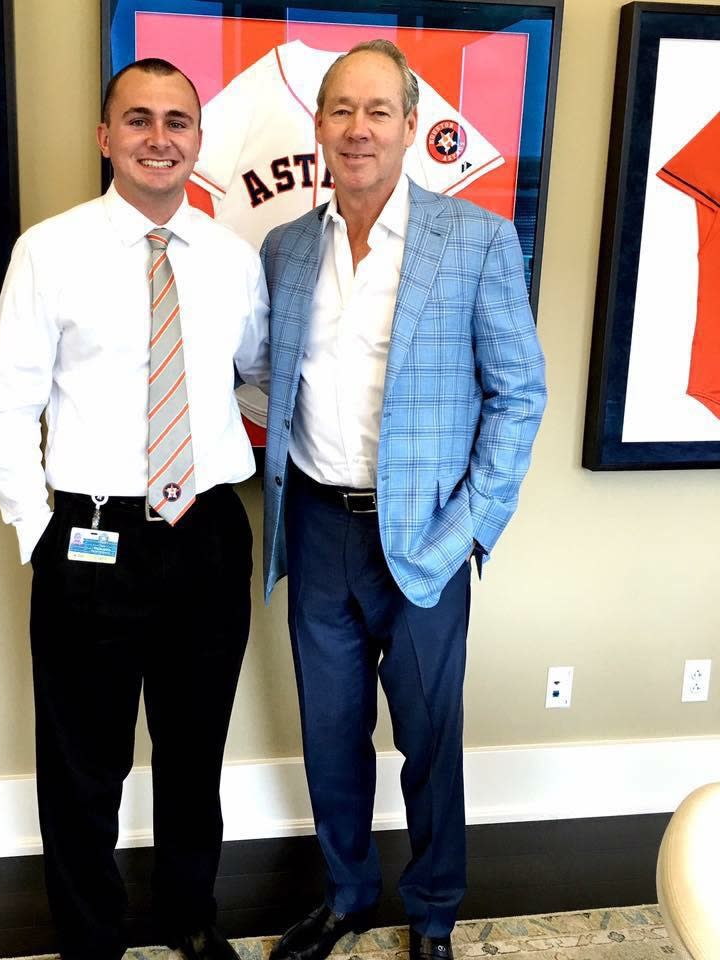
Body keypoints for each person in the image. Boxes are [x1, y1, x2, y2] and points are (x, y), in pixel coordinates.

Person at [260, 40, 546, 960]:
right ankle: (346, 895)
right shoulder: (285, 248)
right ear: (319, 126)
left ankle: (431, 914)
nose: (358, 128)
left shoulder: (476, 240)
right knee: (330, 736)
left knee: (429, 738)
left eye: (378, 110)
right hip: (317, 527)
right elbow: (267, 379)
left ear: (412, 127)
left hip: (424, 536)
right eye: (341, 109)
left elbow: (518, 392)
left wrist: (469, 524)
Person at [0, 58, 269, 960]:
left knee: (195, 752)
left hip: (208, 534)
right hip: (91, 533)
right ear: (106, 137)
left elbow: (255, 378)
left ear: (197, 140)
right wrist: (41, 532)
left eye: (177, 121)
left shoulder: (233, 262)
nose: (159, 137)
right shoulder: (49, 251)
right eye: (138, 119)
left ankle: (189, 918)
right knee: (81, 764)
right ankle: (90, 939)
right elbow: (7, 408)